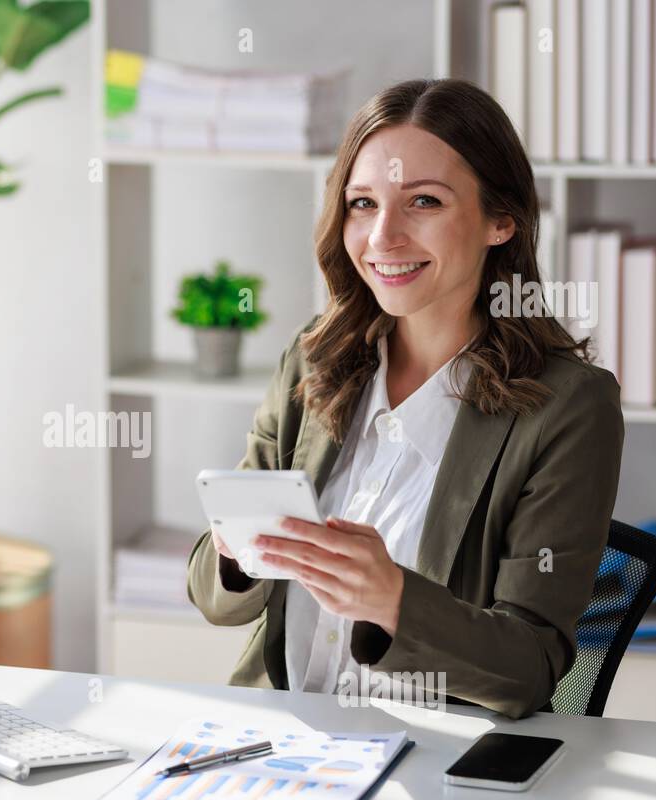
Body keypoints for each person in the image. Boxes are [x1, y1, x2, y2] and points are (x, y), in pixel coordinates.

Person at [186, 78, 623, 719]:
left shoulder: (567, 406)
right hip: (279, 744)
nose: (382, 237)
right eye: (363, 203)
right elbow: (213, 601)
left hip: (430, 764)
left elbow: (530, 671)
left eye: (423, 201)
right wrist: (237, 555)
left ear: (501, 221)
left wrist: (393, 599)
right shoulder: (313, 361)